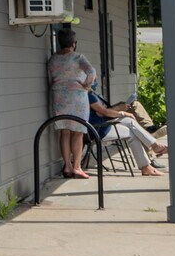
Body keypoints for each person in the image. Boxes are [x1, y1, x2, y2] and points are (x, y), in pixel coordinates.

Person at [46, 27, 96, 179]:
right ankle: (77, 167)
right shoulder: (78, 57)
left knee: (65, 131)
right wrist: (87, 85)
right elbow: (91, 71)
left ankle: (67, 166)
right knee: (78, 131)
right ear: (74, 43)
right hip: (77, 96)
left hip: (59, 96)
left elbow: (51, 77)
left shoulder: (53, 59)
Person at [90, 93, 167, 176]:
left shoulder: (90, 94)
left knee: (130, 121)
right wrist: (122, 112)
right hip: (98, 129)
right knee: (132, 130)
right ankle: (152, 151)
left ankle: (152, 149)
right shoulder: (89, 96)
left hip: (99, 125)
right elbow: (103, 112)